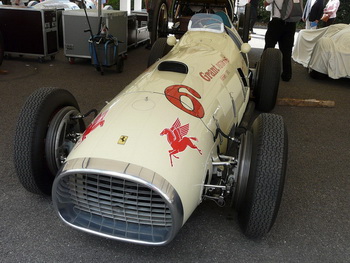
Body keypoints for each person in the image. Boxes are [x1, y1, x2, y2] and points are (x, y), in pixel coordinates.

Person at [264, 0, 299, 82]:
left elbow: (266, 3)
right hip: (291, 24)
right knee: (287, 51)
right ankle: (287, 74)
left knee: (269, 47)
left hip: (277, 22)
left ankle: (264, 70)